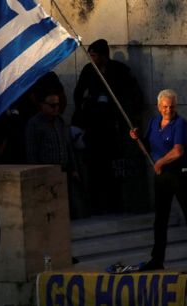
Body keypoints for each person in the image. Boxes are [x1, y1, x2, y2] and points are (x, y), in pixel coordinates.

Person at [130, 89, 187, 271]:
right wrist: (137, 139)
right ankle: (157, 259)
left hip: (180, 175)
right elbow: (148, 149)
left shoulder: (180, 123)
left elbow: (178, 151)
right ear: (159, 107)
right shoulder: (154, 122)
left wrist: (160, 163)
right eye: (165, 107)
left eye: (171, 107)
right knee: (160, 219)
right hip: (162, 176)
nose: (168, 110)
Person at [73, 38, 143, 214]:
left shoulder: (119, 70)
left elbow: (133, 96)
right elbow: (78, 94)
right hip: (93, 128)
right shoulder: (89, 71)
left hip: (113, 128)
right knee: (95, 168)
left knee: (114, 168)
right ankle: (96, 205)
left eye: (94, 55)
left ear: (104, 55)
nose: (92, 59)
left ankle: (117, 203)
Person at [25, 90, 82, 218]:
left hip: (63, 170)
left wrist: (73, 168)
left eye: (58, 105)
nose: (56, 108)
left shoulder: (59, 122)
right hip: (47, 171)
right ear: (42, 105)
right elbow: (32, 150)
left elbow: (67, 145)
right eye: (52, 105)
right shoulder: (34, 124)